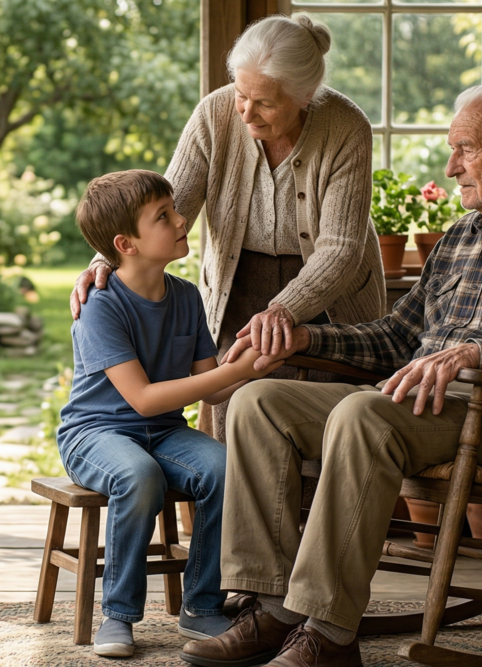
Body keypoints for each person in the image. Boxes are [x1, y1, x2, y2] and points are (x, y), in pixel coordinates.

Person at [180, 81, 482, 667]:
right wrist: (305, 338)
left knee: (366, 413)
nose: (451, 167)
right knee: (258, 401)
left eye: (466, 149)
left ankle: (328, 634)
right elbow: (396, 338)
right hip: (427, 407)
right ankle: (272, 608)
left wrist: (474, 353)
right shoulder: (461, 236)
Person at [69, 14, 385, 442]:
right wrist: (105, 260)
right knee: (237, 432)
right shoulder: (214, 114)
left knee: (332, 433)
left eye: (265, 103)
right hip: (239, 285)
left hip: (331, 293)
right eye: (241, 94)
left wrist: (284, 309)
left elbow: (340, 247)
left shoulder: (346, 126)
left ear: (305, 96)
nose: (247, 112)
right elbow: (166, 205)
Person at [57, 169, 283, 659]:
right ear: (126, 244)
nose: (182, 220)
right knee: (139, 476)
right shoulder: (100, 306)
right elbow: (142, 398)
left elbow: (212, 387)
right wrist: (231, 373)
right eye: (163, 216)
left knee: (223, 468)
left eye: (175, 209)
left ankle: (201, 606)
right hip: (95, 434)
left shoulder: (186, 296)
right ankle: (118, 615)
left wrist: (253, 365)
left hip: (164, 432)